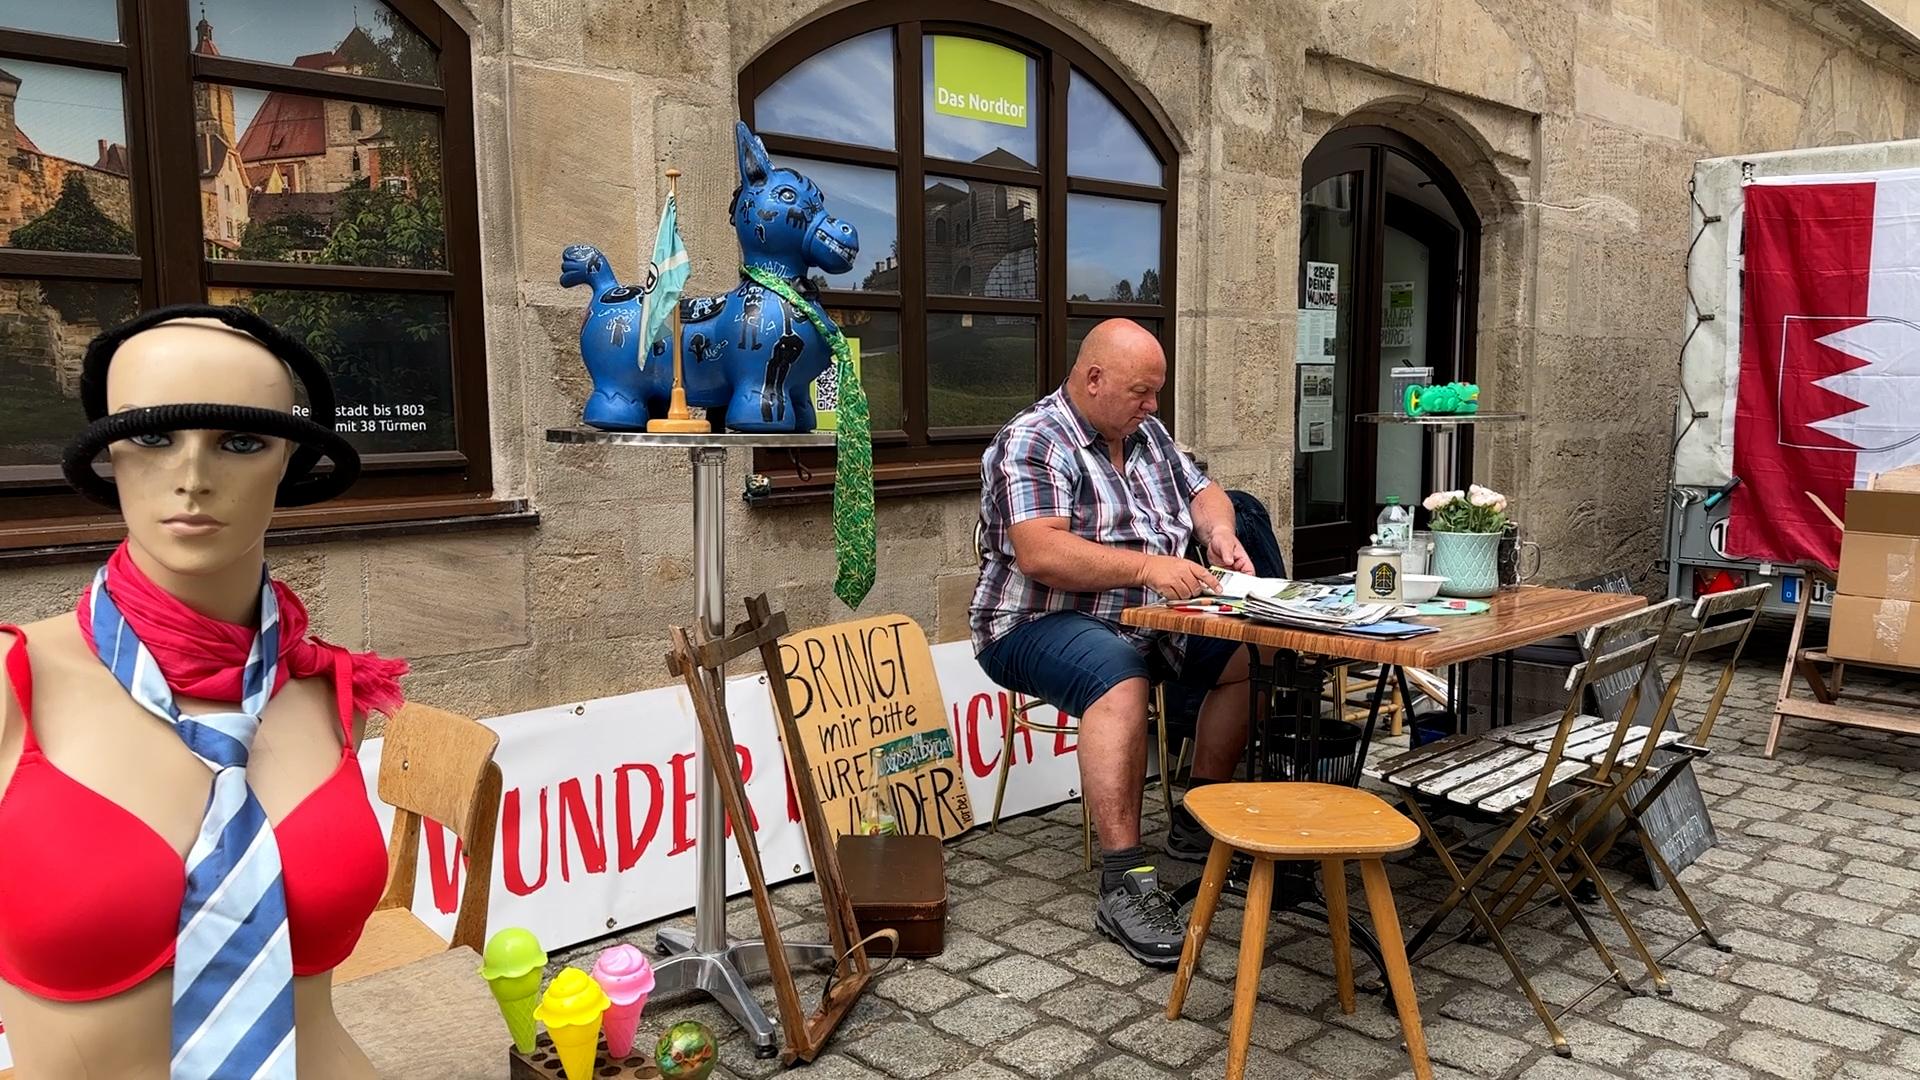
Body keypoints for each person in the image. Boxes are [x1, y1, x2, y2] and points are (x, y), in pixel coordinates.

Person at [0, 307, 403, 1078]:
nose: (192, 476)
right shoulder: (12, 688)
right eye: (153, 436)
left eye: (240, 441)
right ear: (109, 449)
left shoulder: (326, 689)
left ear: (288, 459)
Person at [970, 317, 1256, 968]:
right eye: (1141, 391)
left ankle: (1197, 819)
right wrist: (1148, 567)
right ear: (1093, 378)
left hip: (1150, 616)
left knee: (1249, 655)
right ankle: (1124, 881)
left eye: (1156, 392)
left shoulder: (1146, 432)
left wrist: (1217, 532)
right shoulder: (1034, 439)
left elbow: (1205, 492)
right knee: (1119, 677)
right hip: (1034, 620)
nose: (1153, 405)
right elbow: (1041, 552)